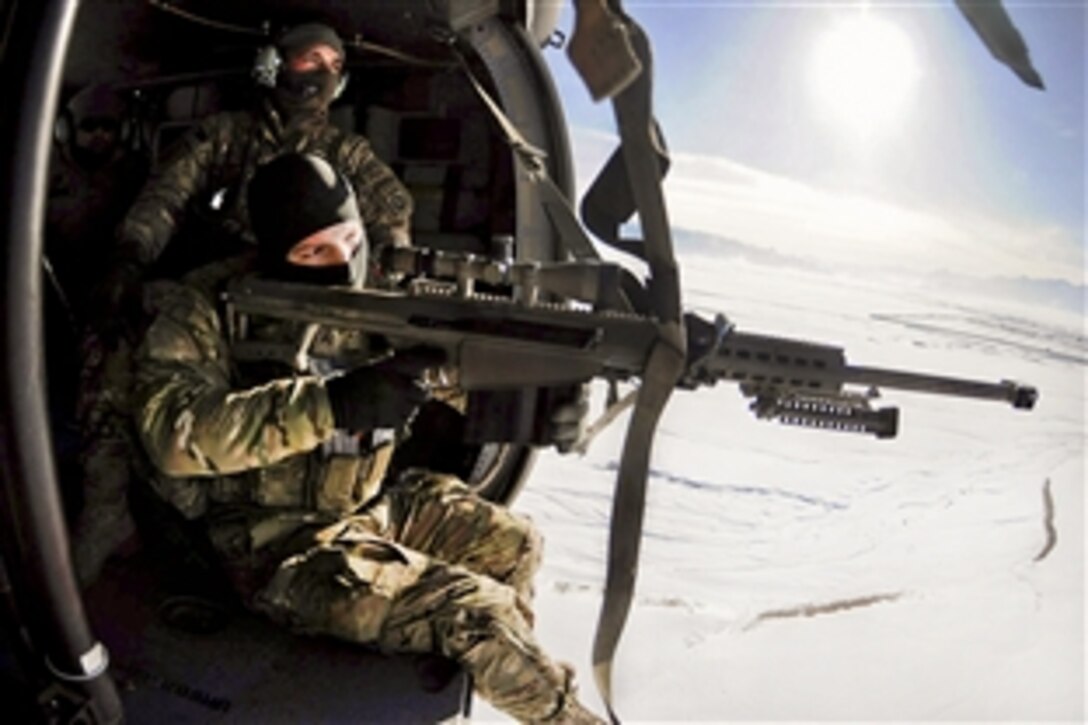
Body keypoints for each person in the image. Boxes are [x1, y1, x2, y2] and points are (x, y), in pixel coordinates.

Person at [129, 153, 600, 723]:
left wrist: (539, 404)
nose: (341, 264)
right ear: (274, 249)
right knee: (481, 617)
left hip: (370, 506)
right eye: (313, 252)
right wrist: (330, 405)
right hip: (275, 543)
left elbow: (453, 378)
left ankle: (481, 684)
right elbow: (173, 437)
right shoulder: (202, 309)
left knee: (516, 544)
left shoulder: (383, 297)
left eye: (350, 241)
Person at [72, 21, 413, 585]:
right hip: (227, 290)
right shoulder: (228, 135)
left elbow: (393, 222)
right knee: (115, 338)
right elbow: (169, 193)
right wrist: (130, 256)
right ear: (274, 66)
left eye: (331, 63)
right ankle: (107, 509)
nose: (317, 73)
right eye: (306, 59)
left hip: (309, 298)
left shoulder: (347, 154)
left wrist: (368, 281)